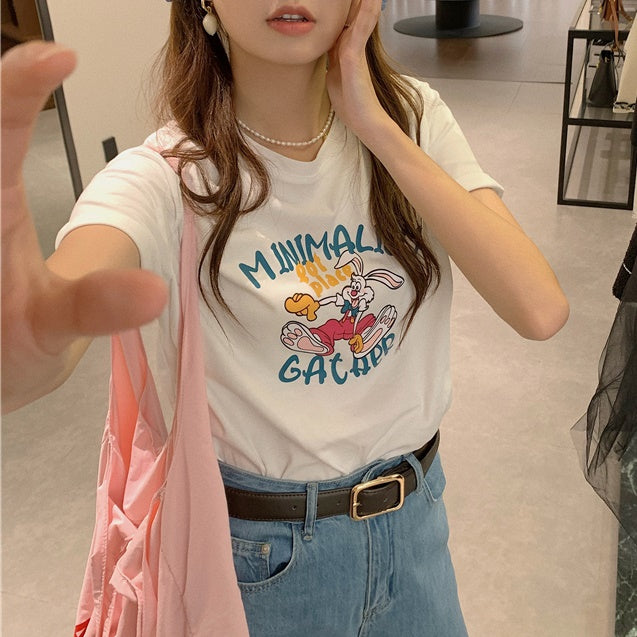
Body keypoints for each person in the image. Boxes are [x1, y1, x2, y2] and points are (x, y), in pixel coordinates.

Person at [1, 0, 570, 635]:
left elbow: (539, 308)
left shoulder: (413, 119)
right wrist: (26, 337)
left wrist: (376, 128)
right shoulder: (165, 178)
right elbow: (35, 347)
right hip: (261, 564)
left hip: (415, 527)